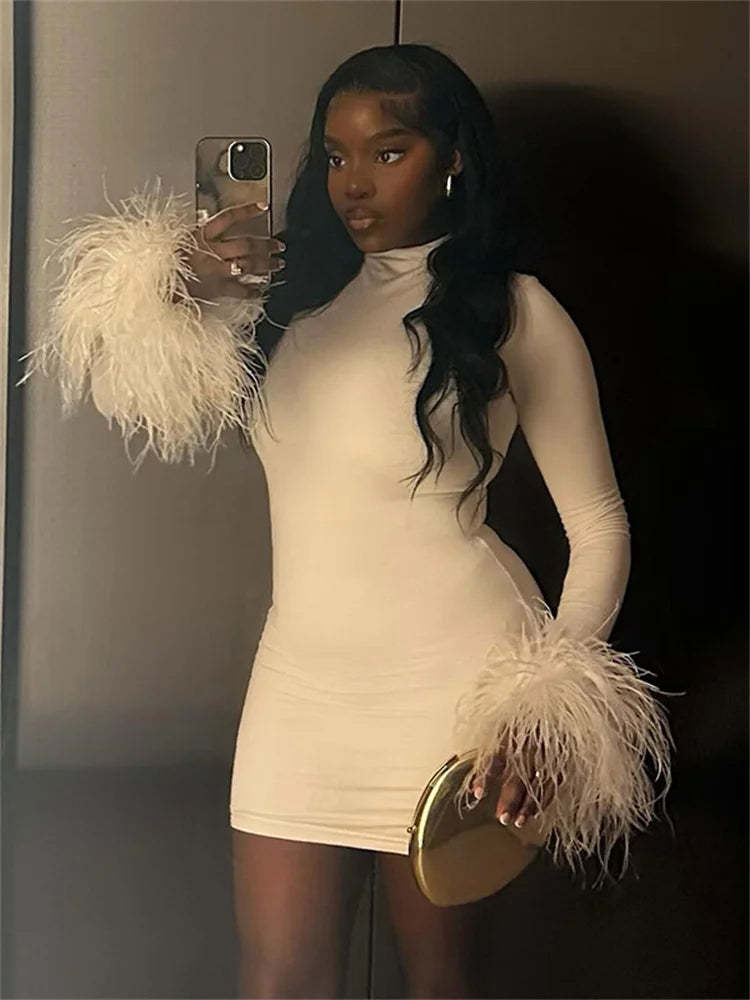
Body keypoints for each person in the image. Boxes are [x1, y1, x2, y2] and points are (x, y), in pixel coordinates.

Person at [19, 43, 675, 1000]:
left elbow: (601, 523)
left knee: (442, 984)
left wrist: (543, 712)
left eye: (388, 152)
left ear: (453, 157)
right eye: (335, 156)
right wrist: (175, 284)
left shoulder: (514, 310)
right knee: (278, 980)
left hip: (456, 696)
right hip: (300, 689)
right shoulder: (289, 306)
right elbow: (138, 382)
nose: (354, 184)